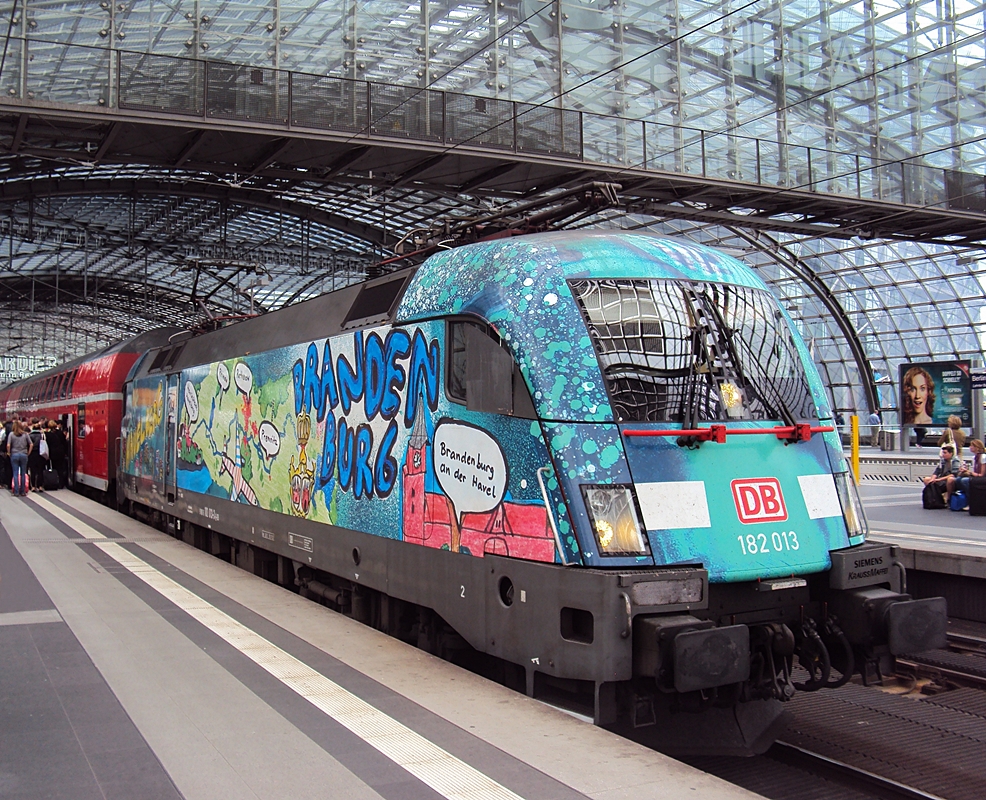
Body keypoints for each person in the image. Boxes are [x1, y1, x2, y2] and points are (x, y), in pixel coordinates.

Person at [946, 438, 985, 503]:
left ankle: (971, 500)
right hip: (975, 476)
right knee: (958, 480)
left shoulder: (983, 457)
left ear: (977, 448)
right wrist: (965, 470)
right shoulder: (974, 458)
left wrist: (969, 472)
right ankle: (961, 499)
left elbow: (981, 475)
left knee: (964, 481)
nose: (970, 447)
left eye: (971, 446)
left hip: (982, 478)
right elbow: (974, 472)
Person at [6, 419, 32, 496]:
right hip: (24, 454)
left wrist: (9, 452)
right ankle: (23, 491)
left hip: (14, 454)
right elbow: (31, 444)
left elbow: (8, 445)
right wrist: (28, 452)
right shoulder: (25, 434)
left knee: (15, 473)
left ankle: (16, 491)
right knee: (23, 473)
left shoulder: (11, 434)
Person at [45, 420, 68, 489]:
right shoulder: (60, 433)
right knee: (60, 468)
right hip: (60, 453)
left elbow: (47, 445)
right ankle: (61, 483)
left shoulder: (47, 434)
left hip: (52, 453)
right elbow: (64, 443)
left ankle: (54, 482)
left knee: (53, 468)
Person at [27, 418, 47, 492]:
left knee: (33, 471)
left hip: (32, 454)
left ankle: (33, 487)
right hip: (41, 454)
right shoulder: (42, 435)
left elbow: (28, 445)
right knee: (40, 471)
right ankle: (40, 486)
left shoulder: (30, 435)